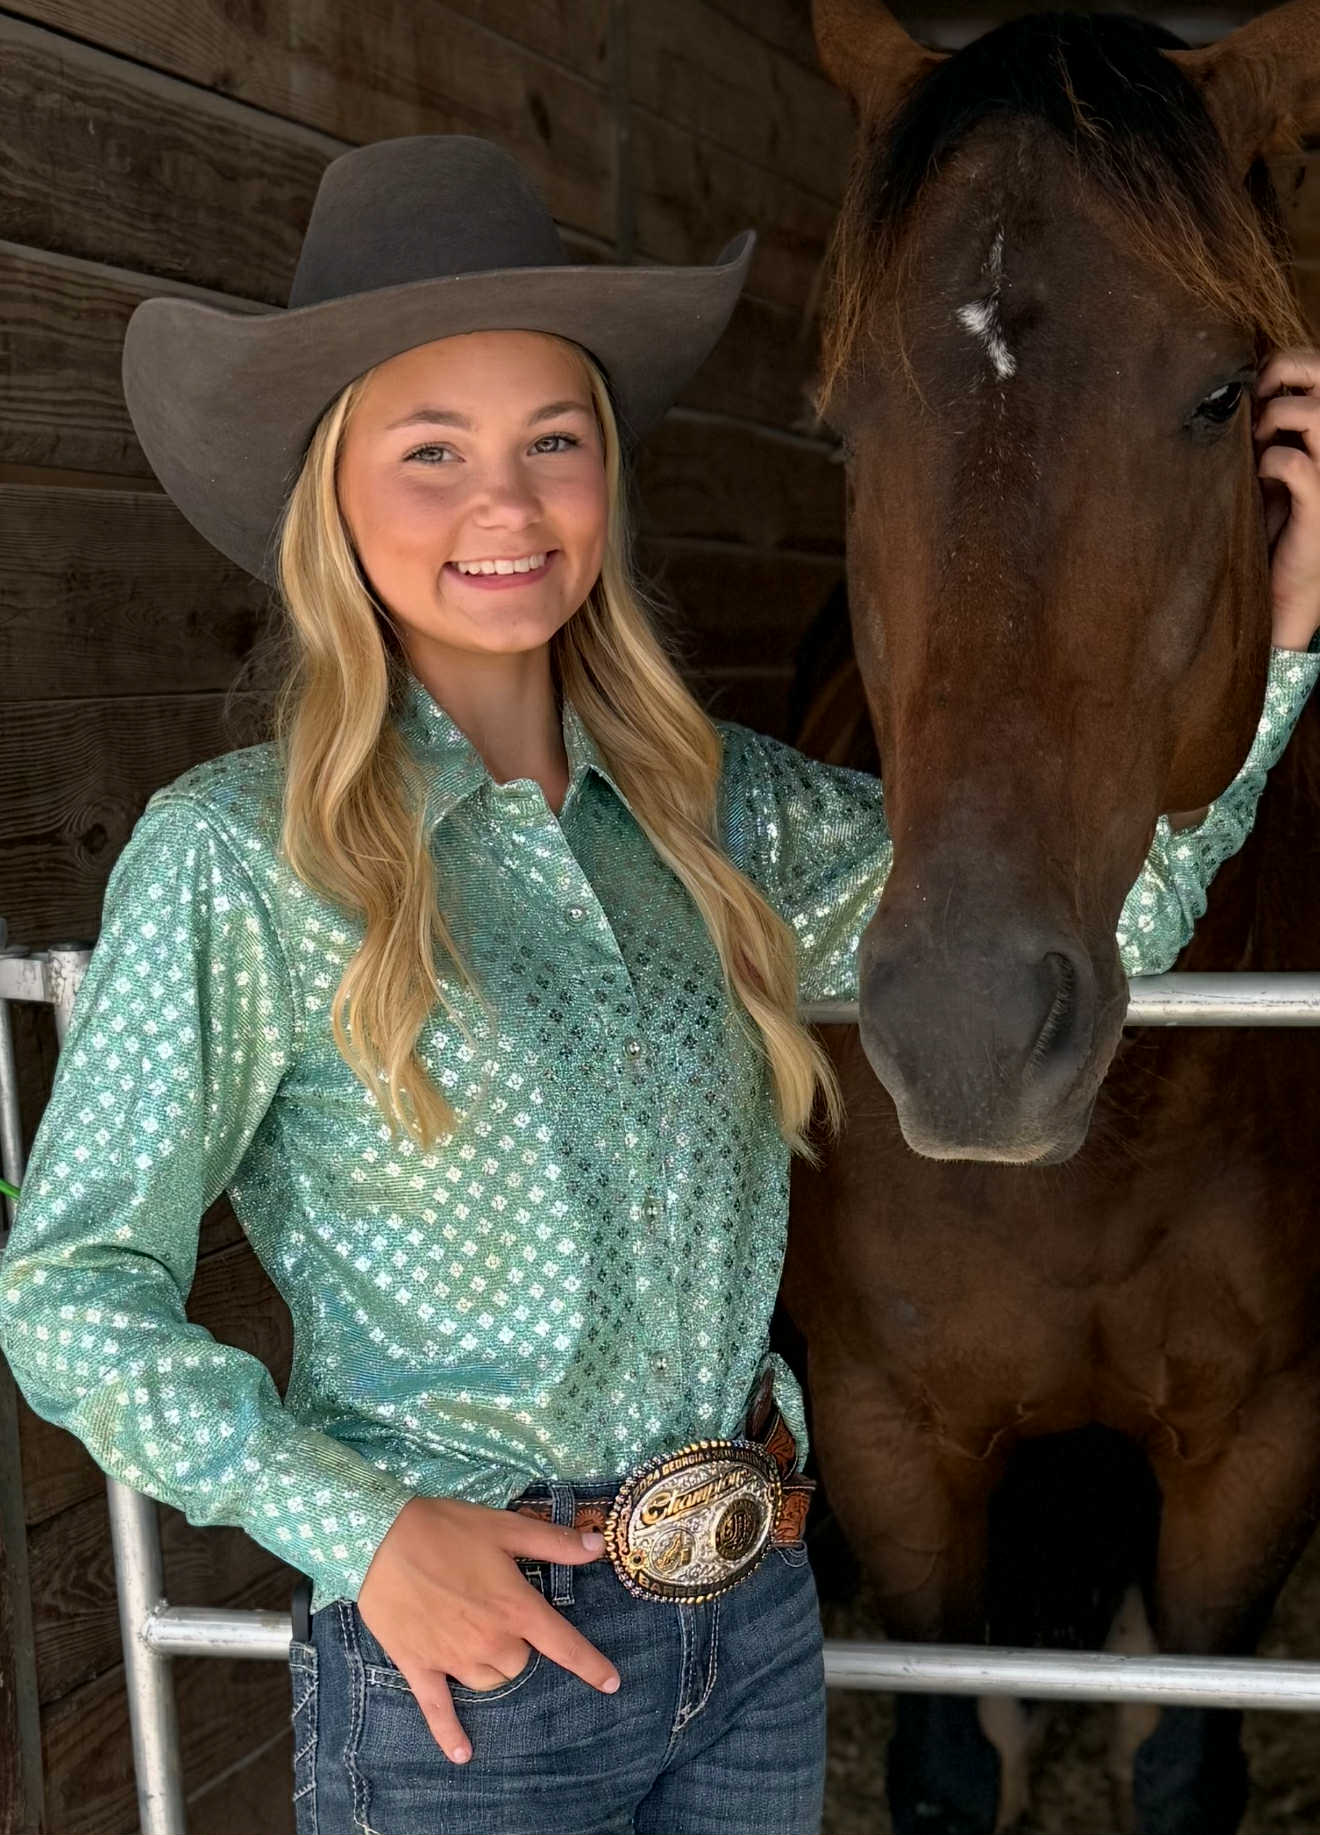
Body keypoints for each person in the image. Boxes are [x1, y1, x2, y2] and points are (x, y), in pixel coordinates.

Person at [1, 134, 1318, 1835]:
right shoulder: (239, 859)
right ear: (327, 491)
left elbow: (1104, 929)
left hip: (755, 1623)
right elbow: (67, 1289)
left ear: (607, 475)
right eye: (432, 452)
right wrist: (357, 1531)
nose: (507, 504)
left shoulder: (721, 811)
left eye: (554, 441)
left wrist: (1285, 648)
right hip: (474, 1670)